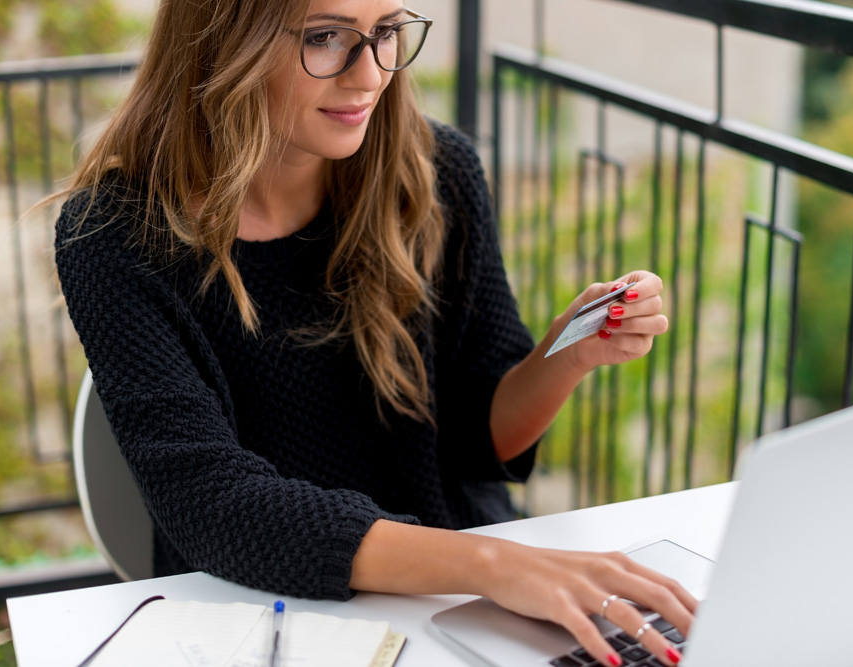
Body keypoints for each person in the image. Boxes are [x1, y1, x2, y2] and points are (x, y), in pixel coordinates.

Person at [51, 1, 692, 665]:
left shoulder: (438, 172)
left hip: (457, 607)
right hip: (271, 621)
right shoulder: (113, 236)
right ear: (225, 38)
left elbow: (479, 439)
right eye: (326, 38)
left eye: (387, 32)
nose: (371, 74)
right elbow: (210, 502)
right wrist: (492, 561)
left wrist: (566, 355)